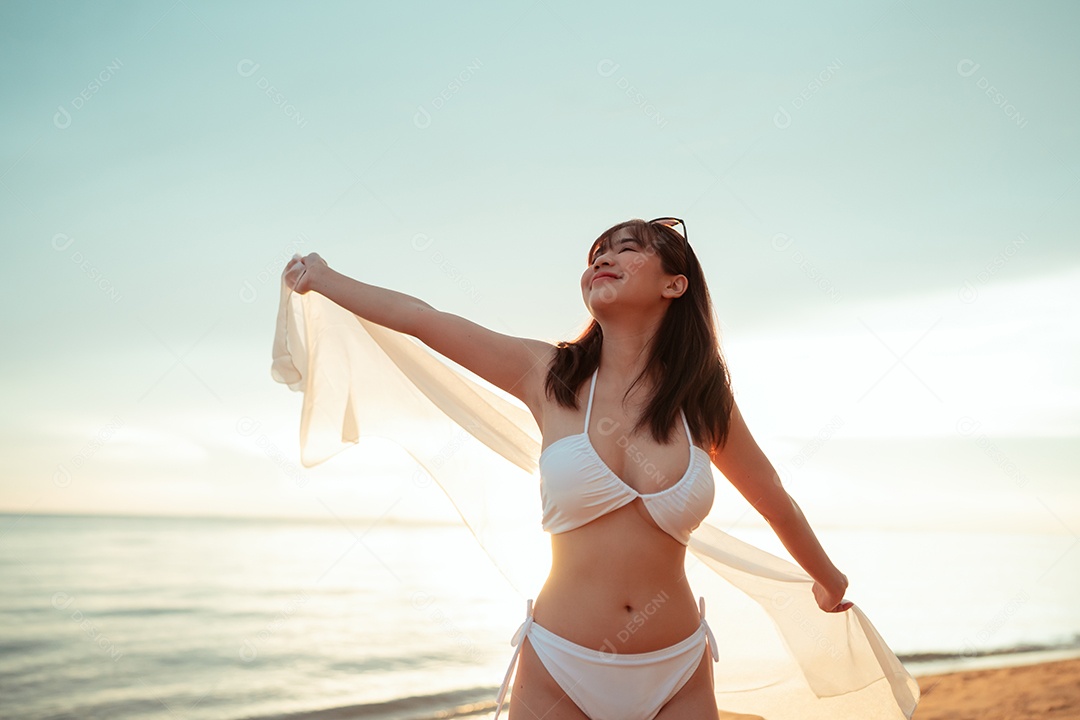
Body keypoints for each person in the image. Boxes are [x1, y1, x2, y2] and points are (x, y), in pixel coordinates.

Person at [281, 217, 857, 720]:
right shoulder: (547, 374)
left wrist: (827, 577)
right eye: (596, 254)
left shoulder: (701, 402)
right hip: (563, 664)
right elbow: (423, 319)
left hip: (675, 666)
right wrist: (325, 278)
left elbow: (769, 491)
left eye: (628, 248)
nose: (603, 258)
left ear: (674, 284)